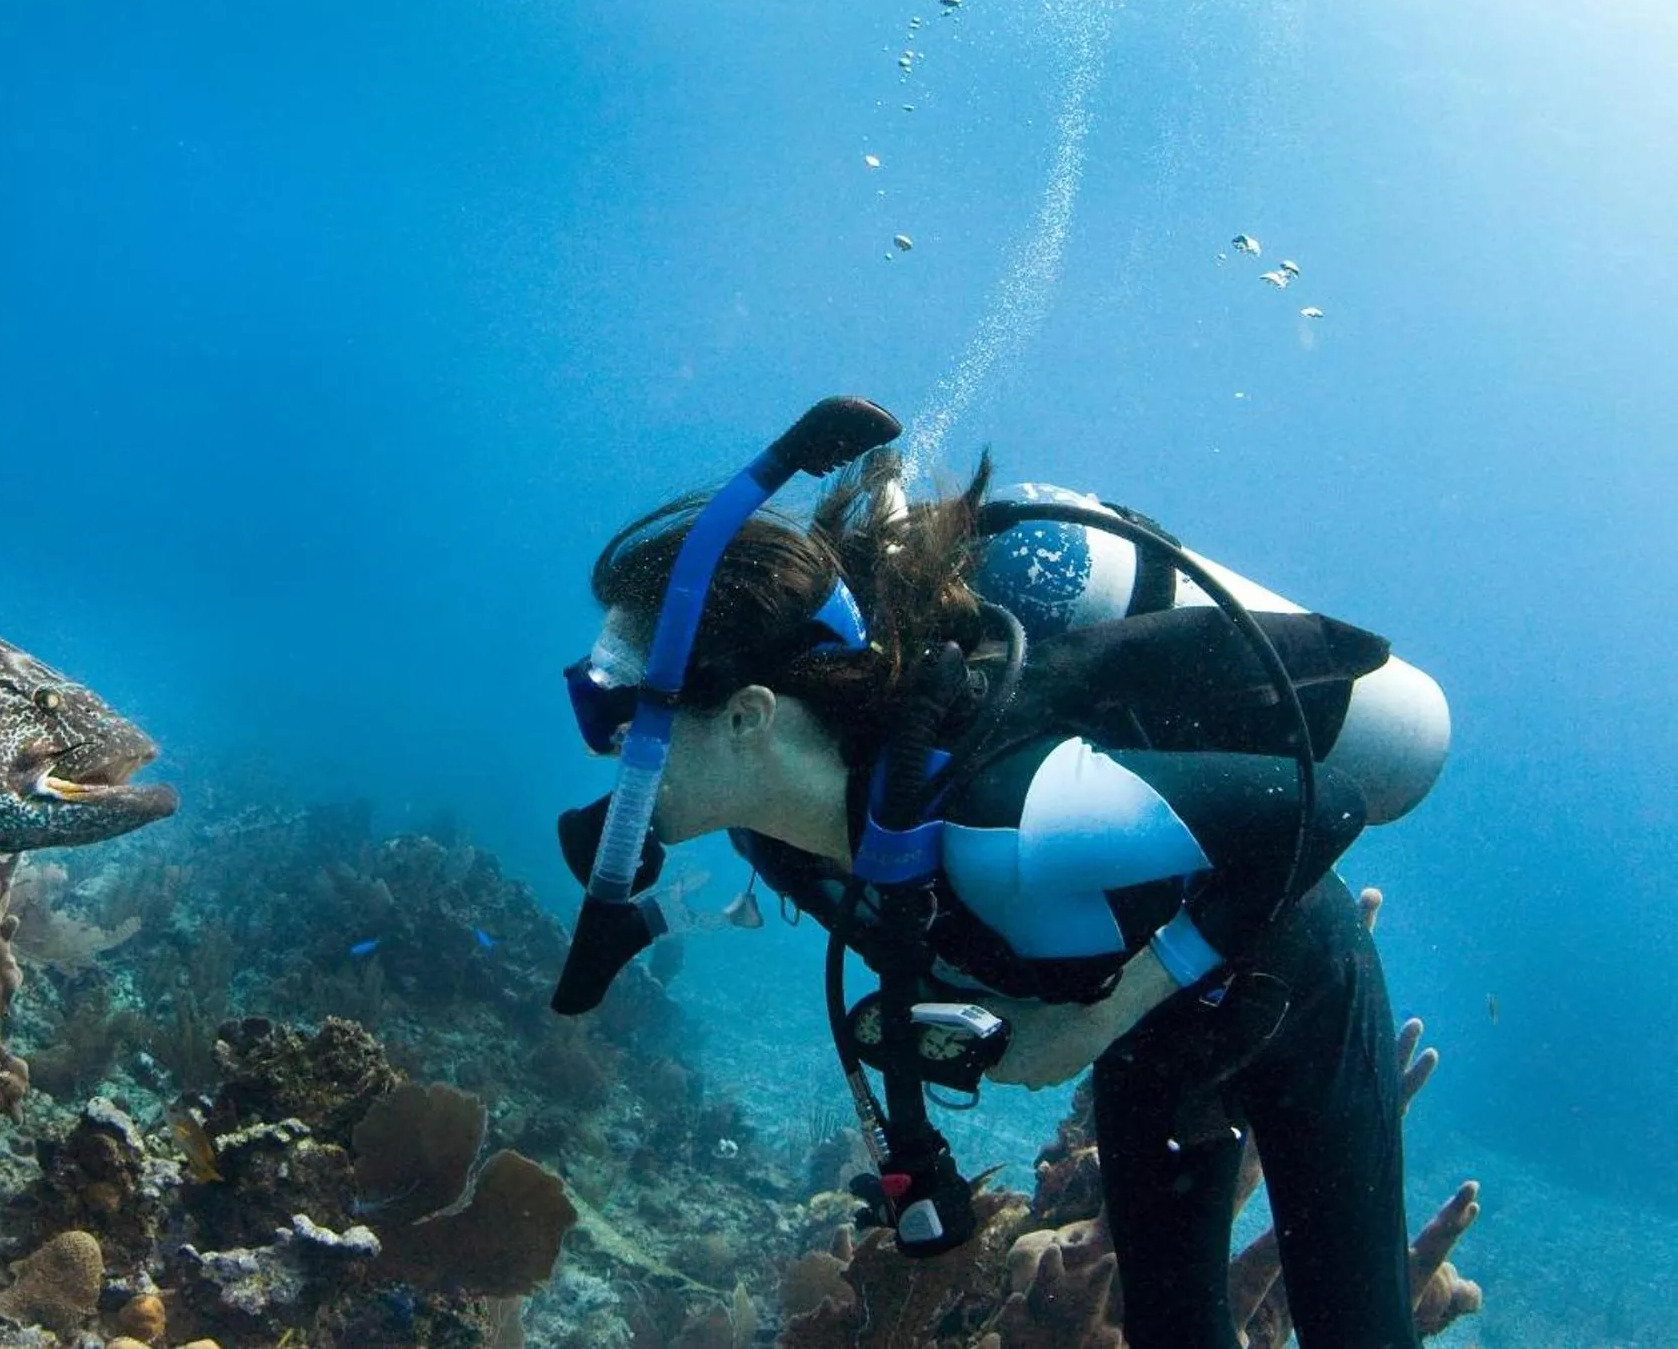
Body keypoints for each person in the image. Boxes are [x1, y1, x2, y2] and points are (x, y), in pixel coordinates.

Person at [547, 397, 1447, 1349]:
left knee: (1358, 1329)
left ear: (750, 717)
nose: (605, 749)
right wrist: (643, 925)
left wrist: (1091, 1022)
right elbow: (734, 895)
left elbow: (1324, 805)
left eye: (614, 713)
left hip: (1286, 972)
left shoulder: (1012, 818)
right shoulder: (772, 828)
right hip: (1160, 1018)